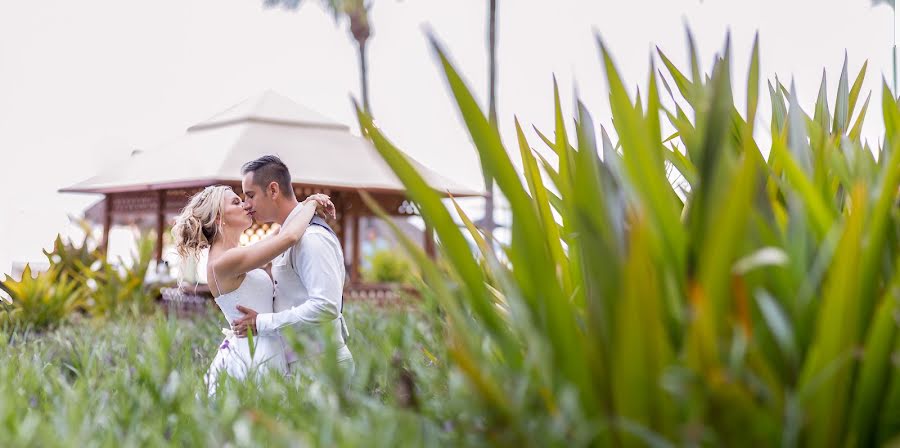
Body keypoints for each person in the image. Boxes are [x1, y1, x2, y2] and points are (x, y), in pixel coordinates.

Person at [171, 184, 333, 395]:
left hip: (264, 343)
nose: (246, 205)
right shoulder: (224, 261)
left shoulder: (233, 254)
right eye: (236, 202)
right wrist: (312, 202)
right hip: (255, 352)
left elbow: (278, 235)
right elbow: (289, 237)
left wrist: (301, 206)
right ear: (219, 218)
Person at [231, 155, 354, 378]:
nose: (246, 205)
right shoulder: (285, 235)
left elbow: (326, 306)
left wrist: (262, 322)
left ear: (273, 190)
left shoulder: (312, 239)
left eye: (250, 195)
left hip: (323, 366)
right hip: (303, 366)